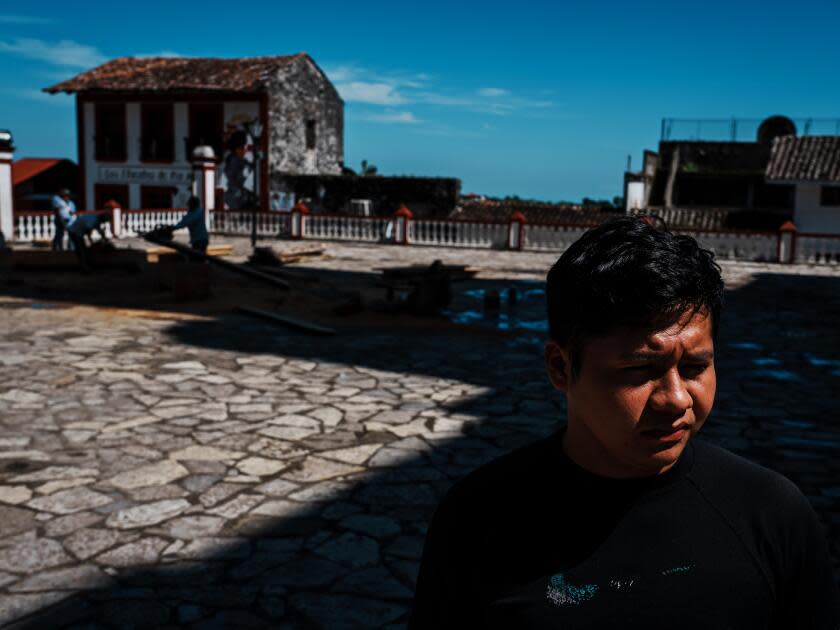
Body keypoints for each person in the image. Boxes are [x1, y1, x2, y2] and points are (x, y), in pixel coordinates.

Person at [410, 217, 839, 629]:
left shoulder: (772, 516)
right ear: (560, 367)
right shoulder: (476, 520)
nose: (675, 399)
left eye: (694, 367)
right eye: (639, 370)